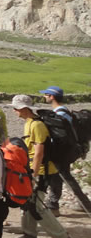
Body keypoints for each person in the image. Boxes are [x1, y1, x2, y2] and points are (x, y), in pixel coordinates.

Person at [7, 95, 76, 238]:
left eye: (16, 108)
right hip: (36, 169)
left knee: (37, 206)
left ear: (24, 109)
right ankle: (29, 236)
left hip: (41, 171)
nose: (14, 110)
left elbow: (39, 151)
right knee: (28, 203)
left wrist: (33, 174)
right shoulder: (30, 122)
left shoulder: (36, 125)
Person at [40, 86, 91, 215]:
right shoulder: (63, 112)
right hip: (67, 150)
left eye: (46, 94)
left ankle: (56, 206)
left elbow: (64, 135)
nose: (44, 96)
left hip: (64, 151)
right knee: (60, 176)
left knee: (63, 177)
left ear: (52, 97)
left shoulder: (60, 114)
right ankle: (55, 205)